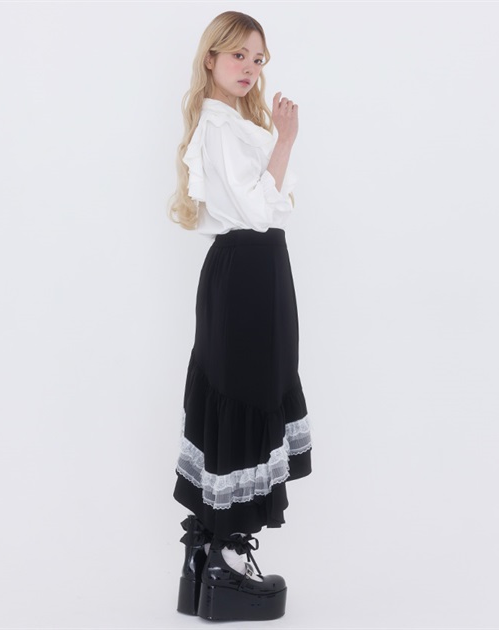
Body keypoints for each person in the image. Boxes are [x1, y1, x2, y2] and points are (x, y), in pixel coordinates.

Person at [167, 10, 313, 622]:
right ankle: (225, 563)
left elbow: (273, 208)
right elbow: (259, 211)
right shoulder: (221, 126)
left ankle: (206, 560)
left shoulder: (231, 122)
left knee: (244, 390)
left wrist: (276, 142)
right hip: (249, 272)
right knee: (246, 393)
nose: (250, 68)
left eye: (258, 59)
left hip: (254, 271)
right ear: (211, 59)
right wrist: (285, 140)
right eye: (238, 55)